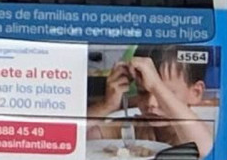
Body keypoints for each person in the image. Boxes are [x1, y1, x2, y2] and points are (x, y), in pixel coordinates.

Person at [86, 45, 215, 158]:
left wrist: (156, 85)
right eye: (143, 92)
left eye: (163, 93)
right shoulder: (132, 128)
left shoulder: (202, 132)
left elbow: (205, 151)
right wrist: (106, 106)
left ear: (196, 93)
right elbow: (71, 138)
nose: (151, 103)